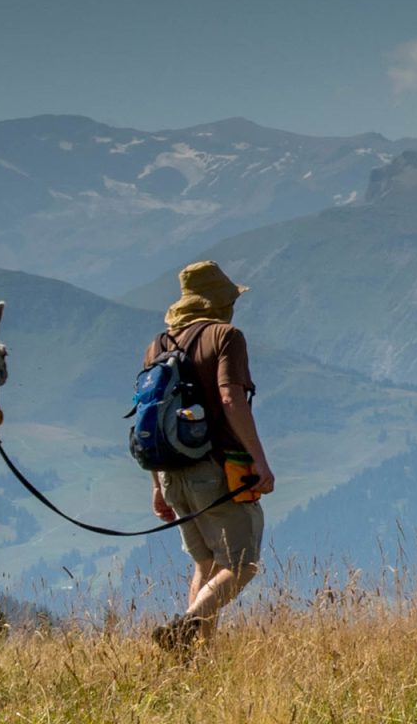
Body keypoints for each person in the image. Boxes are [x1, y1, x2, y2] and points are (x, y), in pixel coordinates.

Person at [144, 261, 276, 650]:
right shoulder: (225, 336)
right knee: (240, 564)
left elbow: (148, 416)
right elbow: (230, 398)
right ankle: (186, 625)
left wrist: (156, 486)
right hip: (216, 467)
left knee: (206, 566)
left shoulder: (159, 344)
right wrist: (261, 462)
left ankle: (193, 662)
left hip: (171, 473)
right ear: (219, 302)